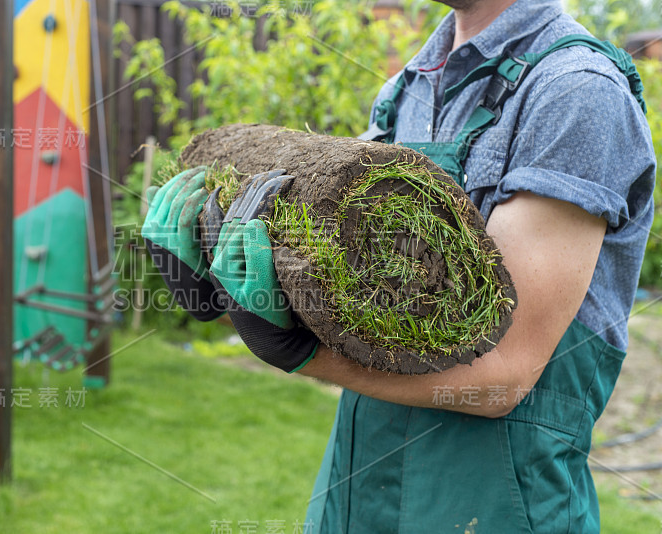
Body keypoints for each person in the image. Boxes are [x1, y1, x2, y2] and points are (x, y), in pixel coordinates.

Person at [142, 0, 656, 532]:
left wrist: (298, 353)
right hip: (355, 492)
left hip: (497, 507)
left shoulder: (576, 92)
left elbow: (502, 377)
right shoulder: (404, 91)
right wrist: (228, 294)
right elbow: (342, 297)